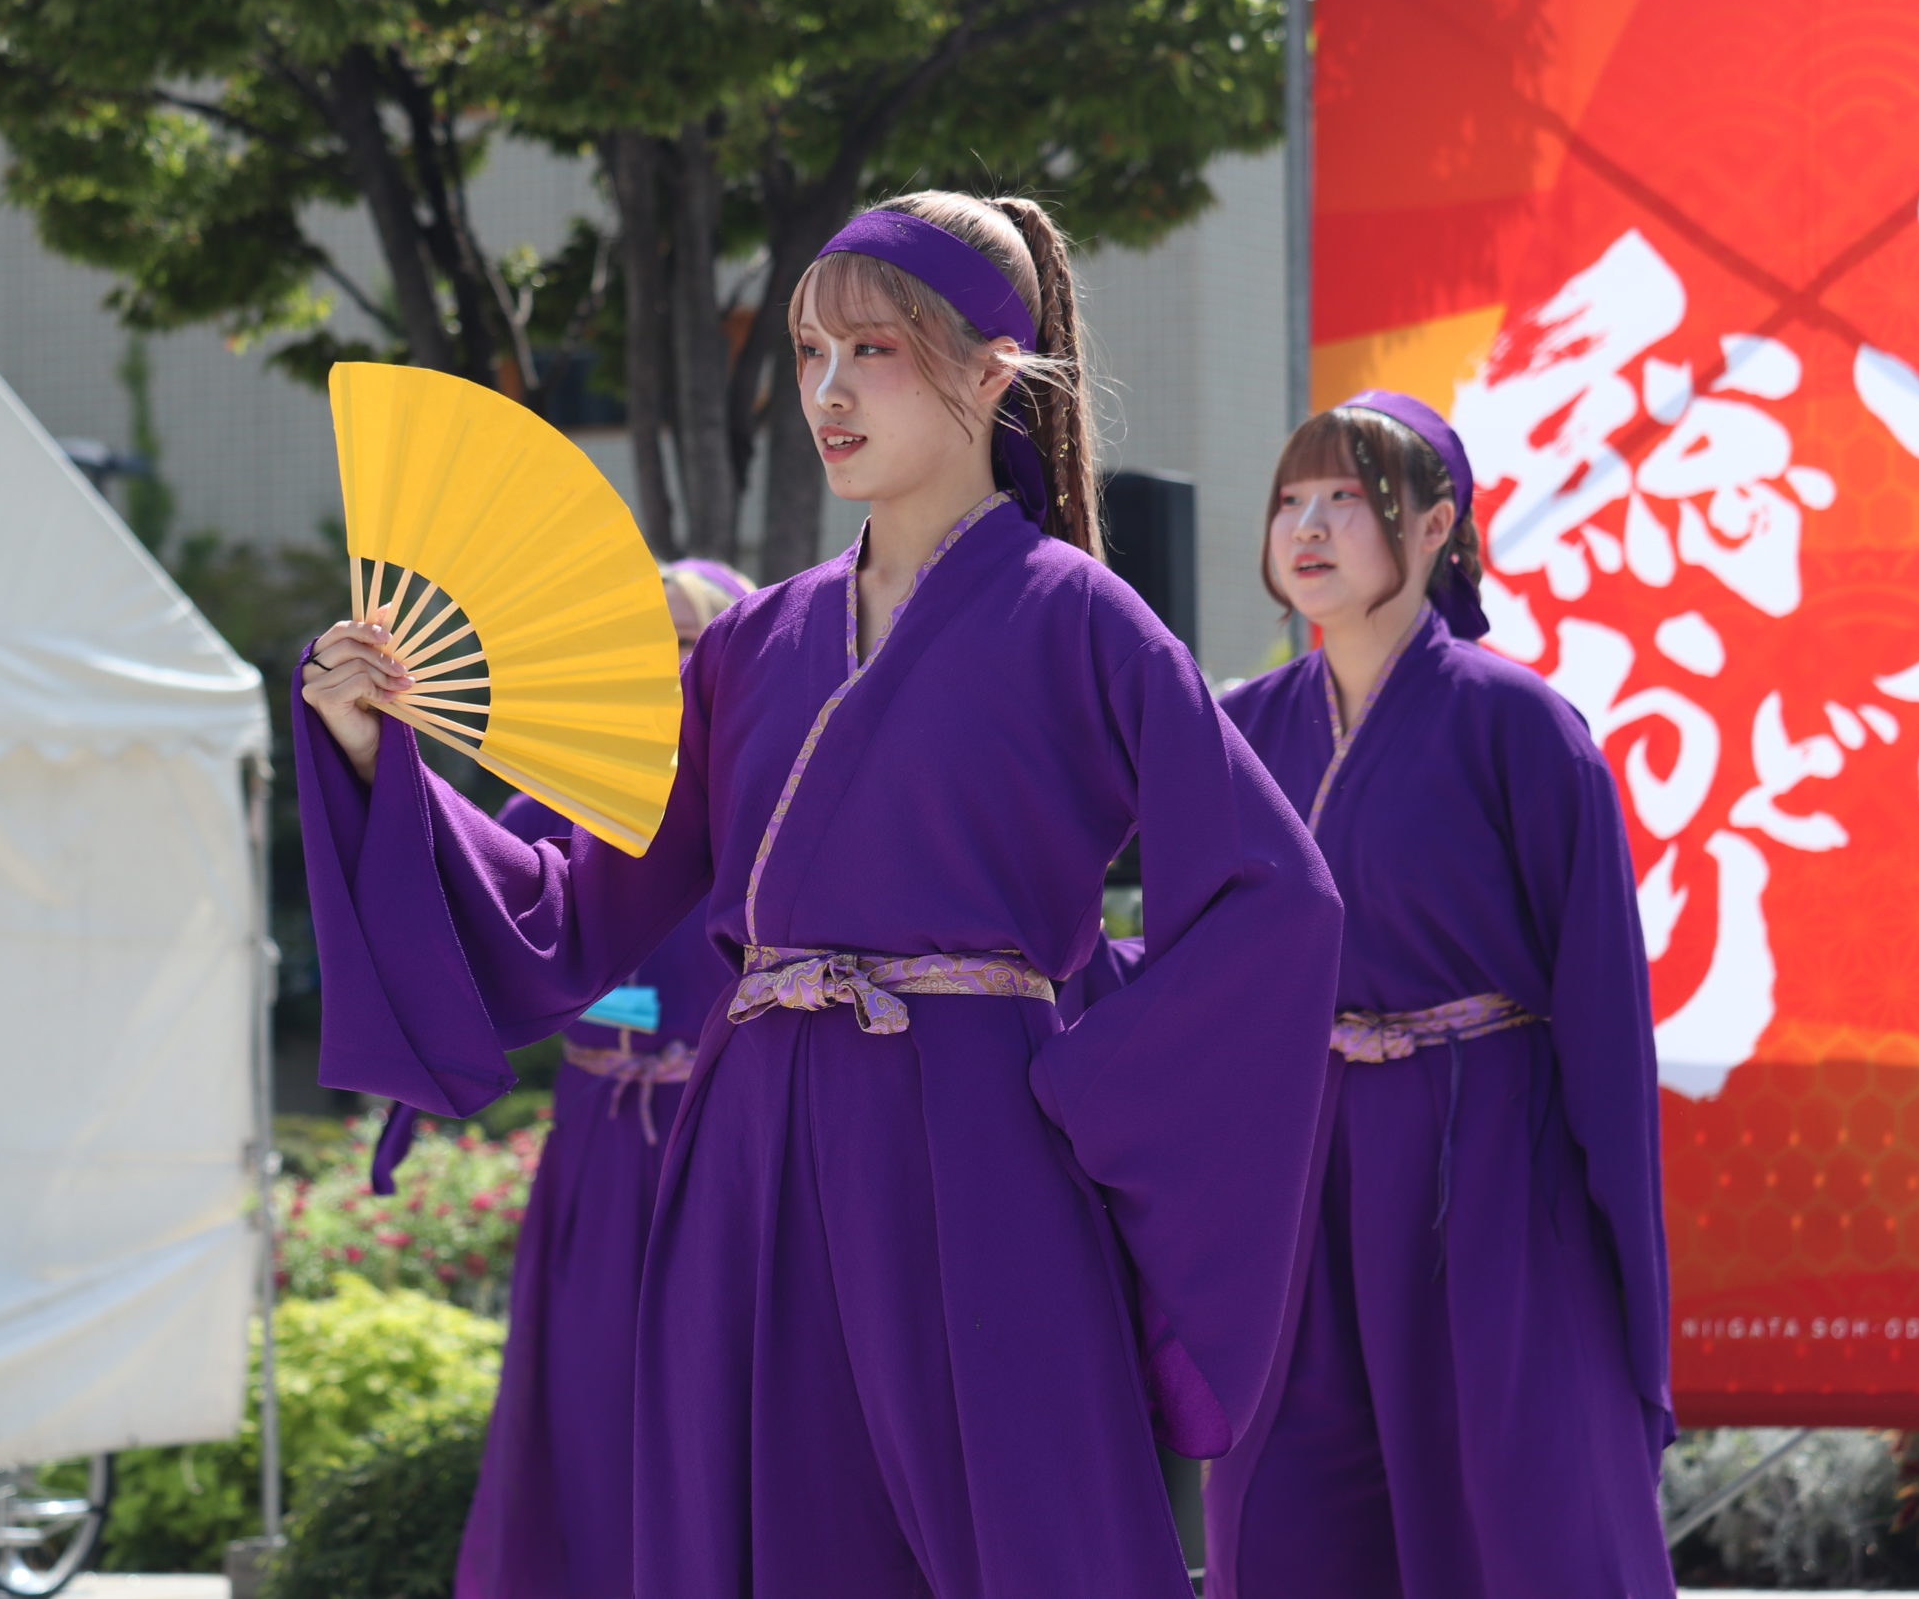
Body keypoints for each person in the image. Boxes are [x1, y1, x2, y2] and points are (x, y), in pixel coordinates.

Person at [295, 190, 1342, 1599]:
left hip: (974, 1139)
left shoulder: (1082, 619)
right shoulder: (753, 641)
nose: (827, 391)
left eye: (872, 352)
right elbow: (579, 903)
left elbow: (1276, 903)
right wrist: (378, 761)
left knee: (1022, 1536)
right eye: (807, 354)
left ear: (993, 370)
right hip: (751, 1152)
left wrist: (1074, 1076)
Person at [1204, 394, 1674, 1597]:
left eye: (1347, 498)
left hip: (1492, 1163)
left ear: (1434, 526)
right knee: (1293, 1503)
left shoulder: (1521, 727)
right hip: (1305, 1171)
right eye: (1289, 500)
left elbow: (1603, 1020)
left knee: (1517, 1505)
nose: (1308, 526)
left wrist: (1622, 1276)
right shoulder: (1234, 735)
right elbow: (1195, 978)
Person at [372, 558, 757, 1599]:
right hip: (598, 1142)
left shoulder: (766, 806)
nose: (667, 661)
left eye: (689, 638)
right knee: (589, 1405)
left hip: (726, 1141)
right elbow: (467, 920)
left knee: (720, 1406)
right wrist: (378, 749)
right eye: (648, 640)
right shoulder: (558, 795)